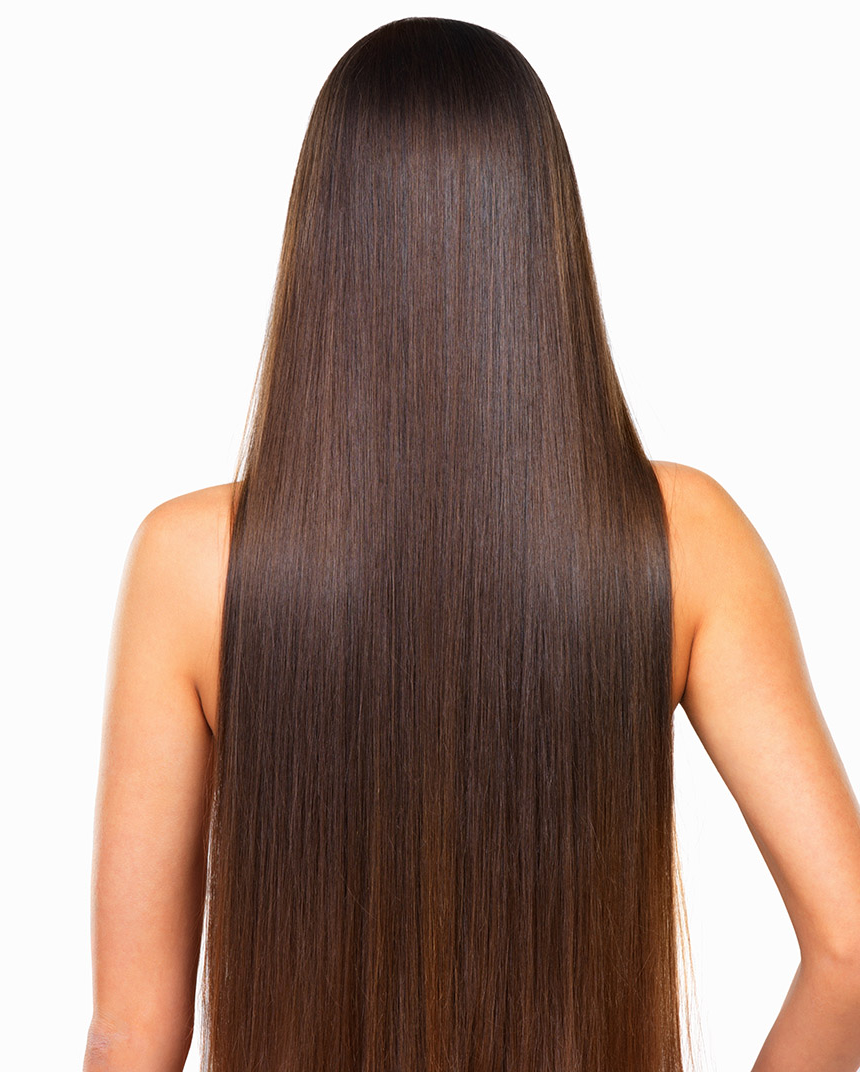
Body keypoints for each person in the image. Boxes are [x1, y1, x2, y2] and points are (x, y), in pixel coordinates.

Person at [83, 17, 860, 1072]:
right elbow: (850, 946)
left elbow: (134, 1030)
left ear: (326, 240)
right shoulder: (683, 537)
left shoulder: (194, 561)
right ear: (542, 235)